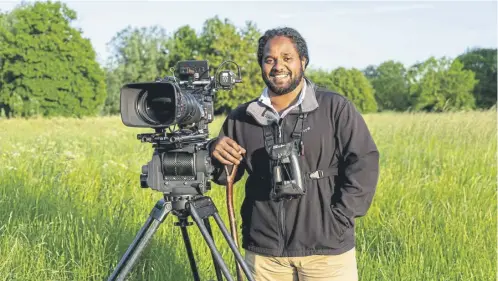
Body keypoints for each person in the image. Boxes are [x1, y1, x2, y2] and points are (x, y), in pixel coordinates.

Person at [208, 27, 379, 281]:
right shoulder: (242, 118)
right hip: (264, 253)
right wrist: (213, 149)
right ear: (261, 66)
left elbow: (364, 160)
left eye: (287, 58)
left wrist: (340, 217)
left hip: (327, 252)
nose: (278, 66)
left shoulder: (334, 107)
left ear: (303, 62)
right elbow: (224, 176)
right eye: (269, 59)